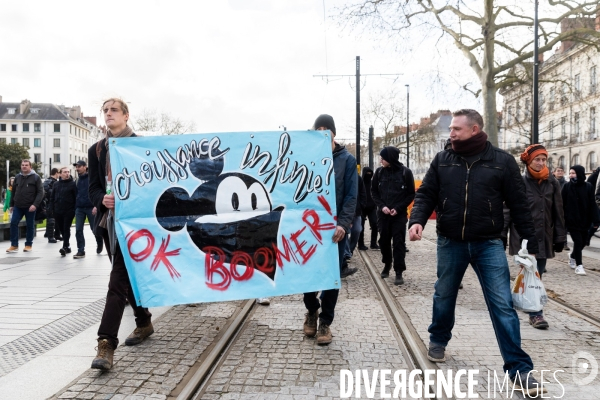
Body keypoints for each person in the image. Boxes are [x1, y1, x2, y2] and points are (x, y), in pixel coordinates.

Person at [408, 109, 546, 396]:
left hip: (488, 243)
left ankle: (520, 369)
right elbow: (426, 194)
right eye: (451, 129)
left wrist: (531, 246)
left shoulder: (502, 162)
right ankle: (439, 339)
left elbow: (519, 205)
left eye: (457, 128)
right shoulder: (443, 159)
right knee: (444, 293)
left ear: (474, 129)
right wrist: (417, 220)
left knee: (502, 306)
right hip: (450, 241)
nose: (452, 133)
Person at [89, 98, 153, 370]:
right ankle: (144, 321)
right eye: (105, 110)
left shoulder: (141, 146)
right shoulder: (97, 150)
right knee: (128, 277)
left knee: (118, 280)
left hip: (137, 225)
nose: (108, 114)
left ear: (126, 116)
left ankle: (106, 344)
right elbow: (92, 188)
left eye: (114, 110)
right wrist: (102, 199)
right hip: (110, 223)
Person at [303, 114, 357, 345]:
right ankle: (312, 310)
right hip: (309, 228)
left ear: (334, 132)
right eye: (319, 128)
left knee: (331, 277)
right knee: (307, 275)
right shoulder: (307, 157)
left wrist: (343, 224)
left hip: (335, 230)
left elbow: (351, 196)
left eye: (327, 128)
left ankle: (325, 321)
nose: (323, 132)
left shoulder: (346, 160)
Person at [503, 144, 566, 329]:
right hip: (523, 238)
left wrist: (560, 237)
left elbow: (559, 212)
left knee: (537, 277)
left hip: (544, 237)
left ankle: (533, 310)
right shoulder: (519, 183)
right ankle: (533, 312)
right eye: (537, 159)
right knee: (528, 274)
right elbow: (507, 210)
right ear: (528, 161)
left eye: (543, 159)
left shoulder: (552, 182)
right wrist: (501, 235)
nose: (540, 163)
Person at [371, 146, 415, 285]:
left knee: (398, 243)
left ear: (390, 159)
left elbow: (410, 194)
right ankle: (387, 263)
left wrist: (398, 208)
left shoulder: (405, 173)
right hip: (383, 215)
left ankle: (398, 271)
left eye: (383, 158)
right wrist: (382, 206)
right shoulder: (379, 173)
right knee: (383, 241)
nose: (380, 160)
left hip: (399, 215)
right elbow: (374, 192)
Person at [562, 165, 599, 275]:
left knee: (583, 242)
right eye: (570, 173)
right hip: (571, 221)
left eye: (573, 173)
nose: (571, 175)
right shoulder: (566, 187)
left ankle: (573, 256)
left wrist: (596, 220)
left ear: (579, 173)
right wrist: (562, 219)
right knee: (578, 242)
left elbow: (592, 204)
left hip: (585, 220)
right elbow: (561, 204)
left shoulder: (588, 187)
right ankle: (579, 266)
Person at [6, 160, 44, 253]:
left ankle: (28, 245)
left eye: (26, 165)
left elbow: (40, 192)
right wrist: (12, 205)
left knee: (30, 225)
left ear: (30, 167)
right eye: (22, 165)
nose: (24, 167)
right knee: (13, 223)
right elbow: (14, 192)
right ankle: (14, 245)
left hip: (30, 206)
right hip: (18, 206)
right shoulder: (18, 177)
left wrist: (35, 204)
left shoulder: (36, 177)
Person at [73, 160, 104, 258]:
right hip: (79, 208)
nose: (77, 168)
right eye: (76, 167)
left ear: (85, 167)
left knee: (94, 228)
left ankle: (99, 242)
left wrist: (96, 205)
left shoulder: (91, 178)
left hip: (91, 207)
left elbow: (96, 192)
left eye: (79, 166)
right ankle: (80, 250)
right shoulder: (77, 180)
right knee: (78, 230)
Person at [49, 167, 77, 256]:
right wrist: (51, 208)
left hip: (69, 210)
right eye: (65, 172)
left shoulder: (73, 184)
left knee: (66, 228)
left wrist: (74, 209)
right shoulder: (56, 184)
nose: (67, 173)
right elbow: (52, 197)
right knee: (61, 229)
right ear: (60, 174)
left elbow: (76, 197)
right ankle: (67, 245)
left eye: (68, 172)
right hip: (58, 210)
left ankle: (65, 246)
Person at [344, 173, 366, 260]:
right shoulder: (342, 176)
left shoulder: (358, 178)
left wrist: (361, 206)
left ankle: (350, 249)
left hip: (357, 211)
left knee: (357, 230)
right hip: (344, 211)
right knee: (344, 231)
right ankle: (346, 253)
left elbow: (362, 193)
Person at [358, 167, 379, 251]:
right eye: (367, 173)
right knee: (361, 227)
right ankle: (360, 244)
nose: (369, 175)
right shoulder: (360, 183)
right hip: (362, 208)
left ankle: (373, 243)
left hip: (372, 207)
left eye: (370, 174)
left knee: (375, 224)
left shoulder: (373, 183)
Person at [43, 168, 62, 243]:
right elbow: (47, 192)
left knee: (56, 220)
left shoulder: (53, 182)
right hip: (50, 203)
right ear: (56, 173)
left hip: (55, 203)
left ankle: (56, 235)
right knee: (51, 220)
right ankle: (50, 236)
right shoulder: (49, 181)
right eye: (59, 173)